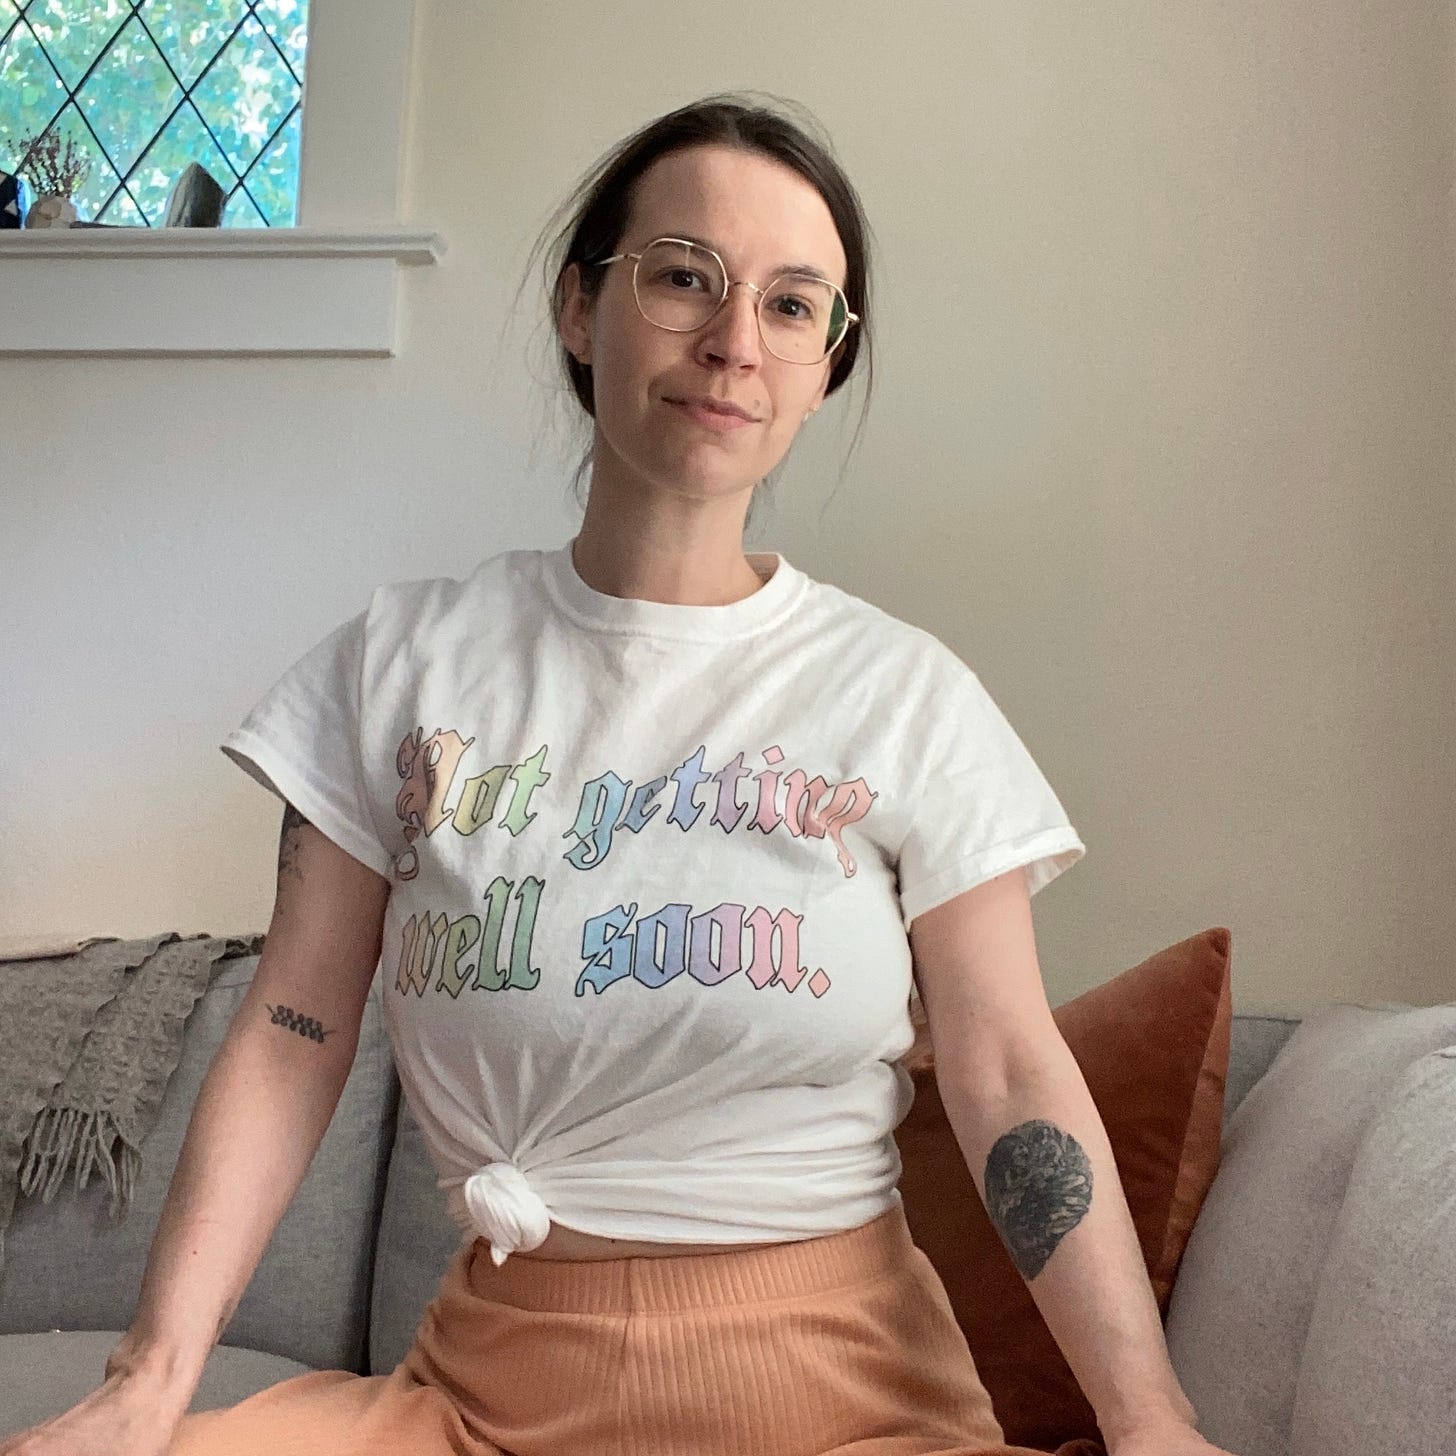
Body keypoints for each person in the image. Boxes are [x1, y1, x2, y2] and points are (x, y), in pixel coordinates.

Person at [0, 93, 1237, 1456]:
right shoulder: (401, 662)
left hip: (849, 1402)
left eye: (791, 304)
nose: (731, 342)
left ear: (828, 362)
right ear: (581, 311)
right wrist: (149, 1381)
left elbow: (1006, 1069)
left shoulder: (903, 695)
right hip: (487, 1402)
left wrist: (1150, 1418)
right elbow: (295, 1032)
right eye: (683, 277)